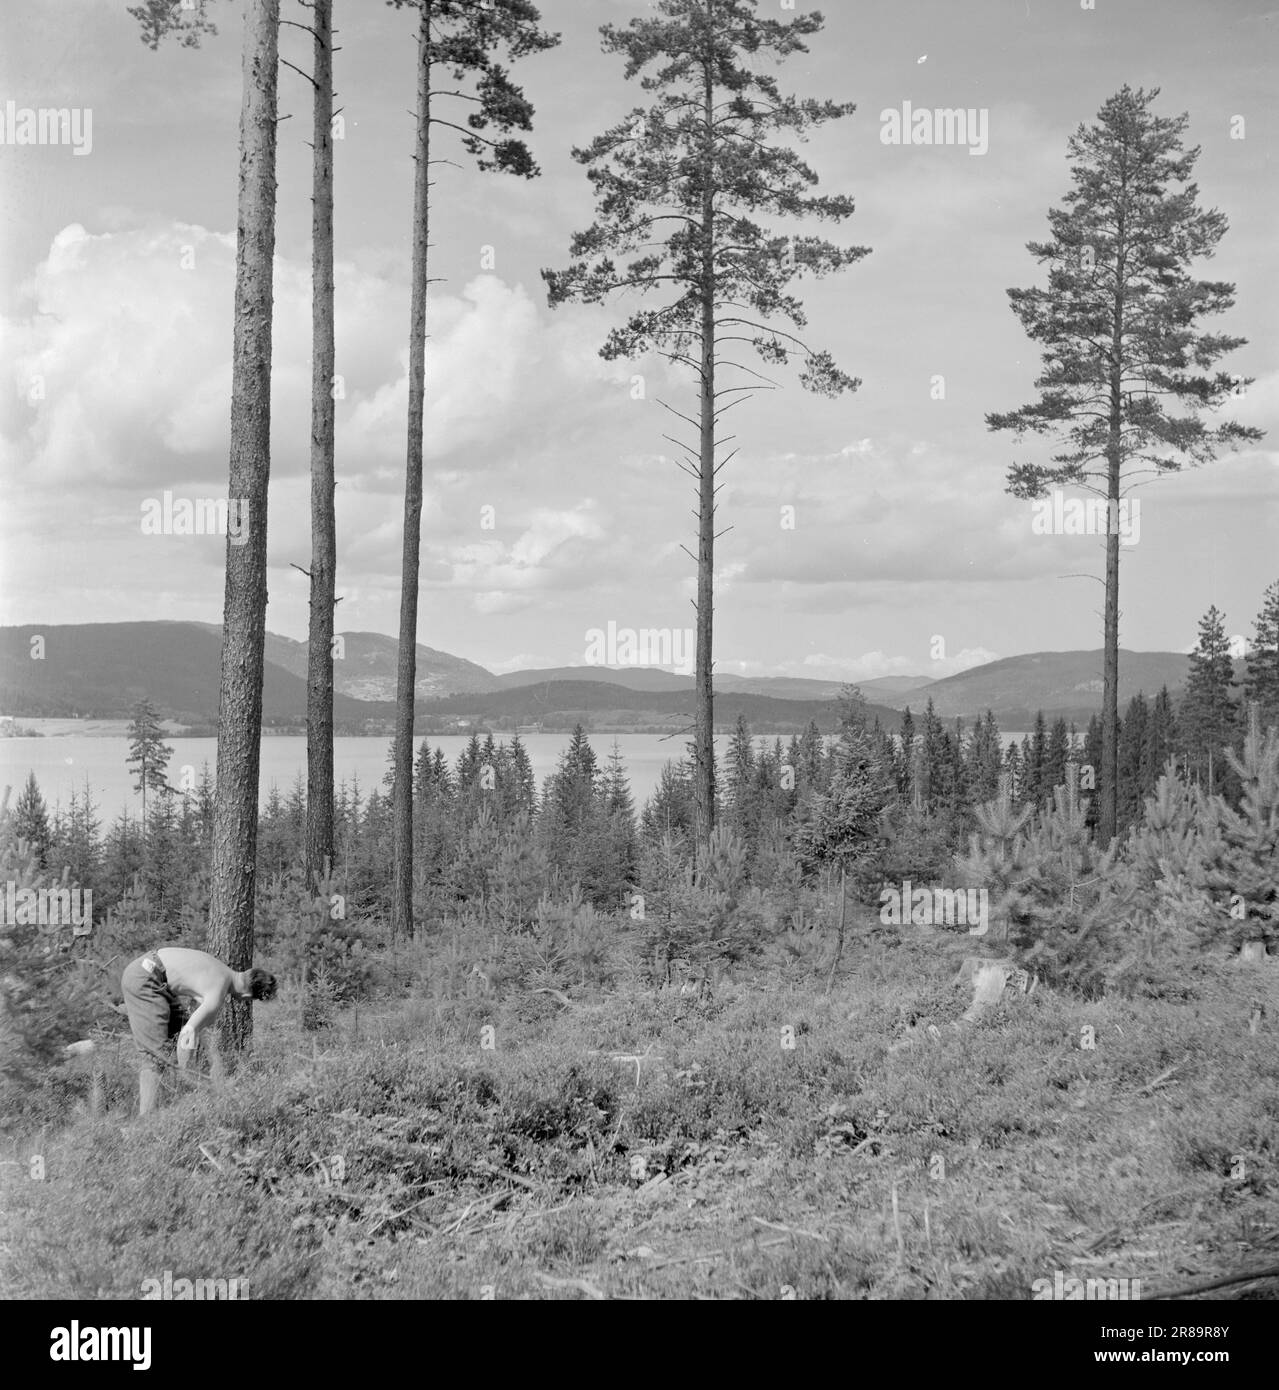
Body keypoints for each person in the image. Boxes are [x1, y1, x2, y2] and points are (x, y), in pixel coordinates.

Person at [120, 946, 277, 1116]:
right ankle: (147, 1123)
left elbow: (194, 1026)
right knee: (155, 1057)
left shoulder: (222, 971)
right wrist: (186, 1073)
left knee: (186, 1040)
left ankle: (209, 1100)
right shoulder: (218, 992)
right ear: (248, 997)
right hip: (145, 979)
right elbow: (187, 1035)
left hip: (153, 973)